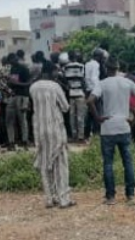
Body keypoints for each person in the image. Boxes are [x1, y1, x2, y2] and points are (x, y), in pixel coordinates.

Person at [88, 58, 135, 206]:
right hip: (124, 126)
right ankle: (130, 195)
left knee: (108, 163)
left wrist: (98, 118)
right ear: (118, 67)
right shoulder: (127, 82)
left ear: (105, 68)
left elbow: (90, 101)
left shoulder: (102, 84)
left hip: (108, 128)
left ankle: (110, 197)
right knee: (127, 162)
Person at [30, 61, 74, 209]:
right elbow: (65, 107)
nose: (58, 74)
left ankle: (49, 198)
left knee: (45, 163)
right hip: (55, 128)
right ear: (51, 72)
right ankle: (64, 199)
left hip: (39, 129)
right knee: (60, 163)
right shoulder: (55, 86)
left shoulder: (33, 87)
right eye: (56, 71)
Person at [6, 51, 32, 149]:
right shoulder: (12, 69)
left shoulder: (24, 69)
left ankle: (25, 141)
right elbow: (13, 82)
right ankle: (11, 142)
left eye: (11, 61)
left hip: (22, 96)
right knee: (9, 120)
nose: (10, 63)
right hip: (13, 96)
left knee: (22, 119)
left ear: (14, 59)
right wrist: (10, 84)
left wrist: (16, 84)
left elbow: (29, 83)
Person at [62, 52, 87, 143]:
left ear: (69, 57)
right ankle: (81, 136)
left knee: (72, 116)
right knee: (80, 116)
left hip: (70, 94)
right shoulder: (81, 66)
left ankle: (74, 136)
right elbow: (83, 79)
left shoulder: (65, 67)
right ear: (76, 57)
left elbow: (65, 79)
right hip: (80, 93)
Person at [84, 48, 107, 140]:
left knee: (90, 114)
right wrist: (99, 89)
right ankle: (97, 134)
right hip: (94, 91)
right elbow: (94, 78)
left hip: (88, 90)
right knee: (98, 113)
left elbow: (86, 78)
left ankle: (86, 134)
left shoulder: (87, 64)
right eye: (102, 57)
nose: (102, 59)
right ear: (98, 57)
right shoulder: (96, 65)